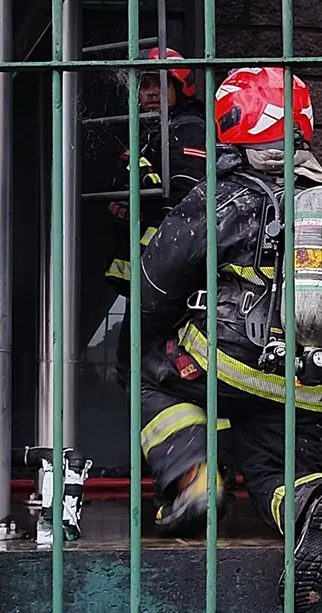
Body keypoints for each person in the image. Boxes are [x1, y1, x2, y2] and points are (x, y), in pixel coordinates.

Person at [137, 66, 322, 613]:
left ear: (231, 122)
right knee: (278, 466)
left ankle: (194, 479)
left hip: (226, 365)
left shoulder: (227, 196)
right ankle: (315, 498)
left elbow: (157, 279)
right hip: (313, 382)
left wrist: (160, 332)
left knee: (147, 372)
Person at [106, 47, 208, 386]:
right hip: (153, 273)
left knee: (142, 366)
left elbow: (189, 201)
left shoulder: (188, 129)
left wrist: (147, 195)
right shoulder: (152, 133)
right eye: (144, 85)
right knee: (135, 365)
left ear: (180, 88)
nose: (150, 92)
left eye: (159, 84)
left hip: (170, 275)